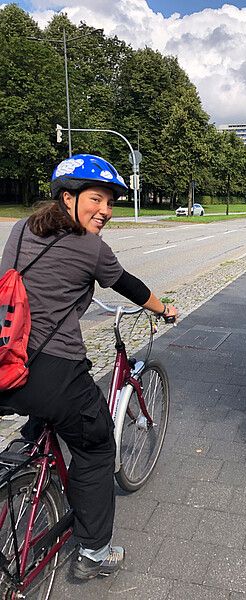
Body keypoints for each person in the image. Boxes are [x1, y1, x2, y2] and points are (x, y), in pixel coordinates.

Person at [0, 154, 178, 580]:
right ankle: (95, 553)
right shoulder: (90, 247)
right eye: (96, 199)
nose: (106, 211)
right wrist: (165, 309)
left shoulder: (22, 230)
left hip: (6, 364)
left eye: (111, 202)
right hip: (52, 372)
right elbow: (131, 287)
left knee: (46, 417)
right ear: (68, 198)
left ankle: (27, 460)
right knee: (97, 445)